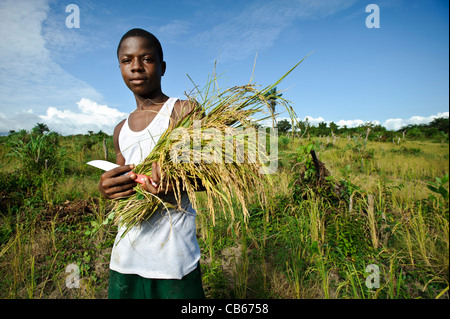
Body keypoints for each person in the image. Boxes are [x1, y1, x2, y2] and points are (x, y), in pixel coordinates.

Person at [98, 28, 205, 299]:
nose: (136, 67)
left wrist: (175, 185)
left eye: (146, 59)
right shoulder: (120, 129)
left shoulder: (184, 112)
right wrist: (109, 188)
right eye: (127, 60)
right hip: (126, 259)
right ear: (120, 67)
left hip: (172, 260)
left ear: (162, 66)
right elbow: (124, 194)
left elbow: (215, 177)